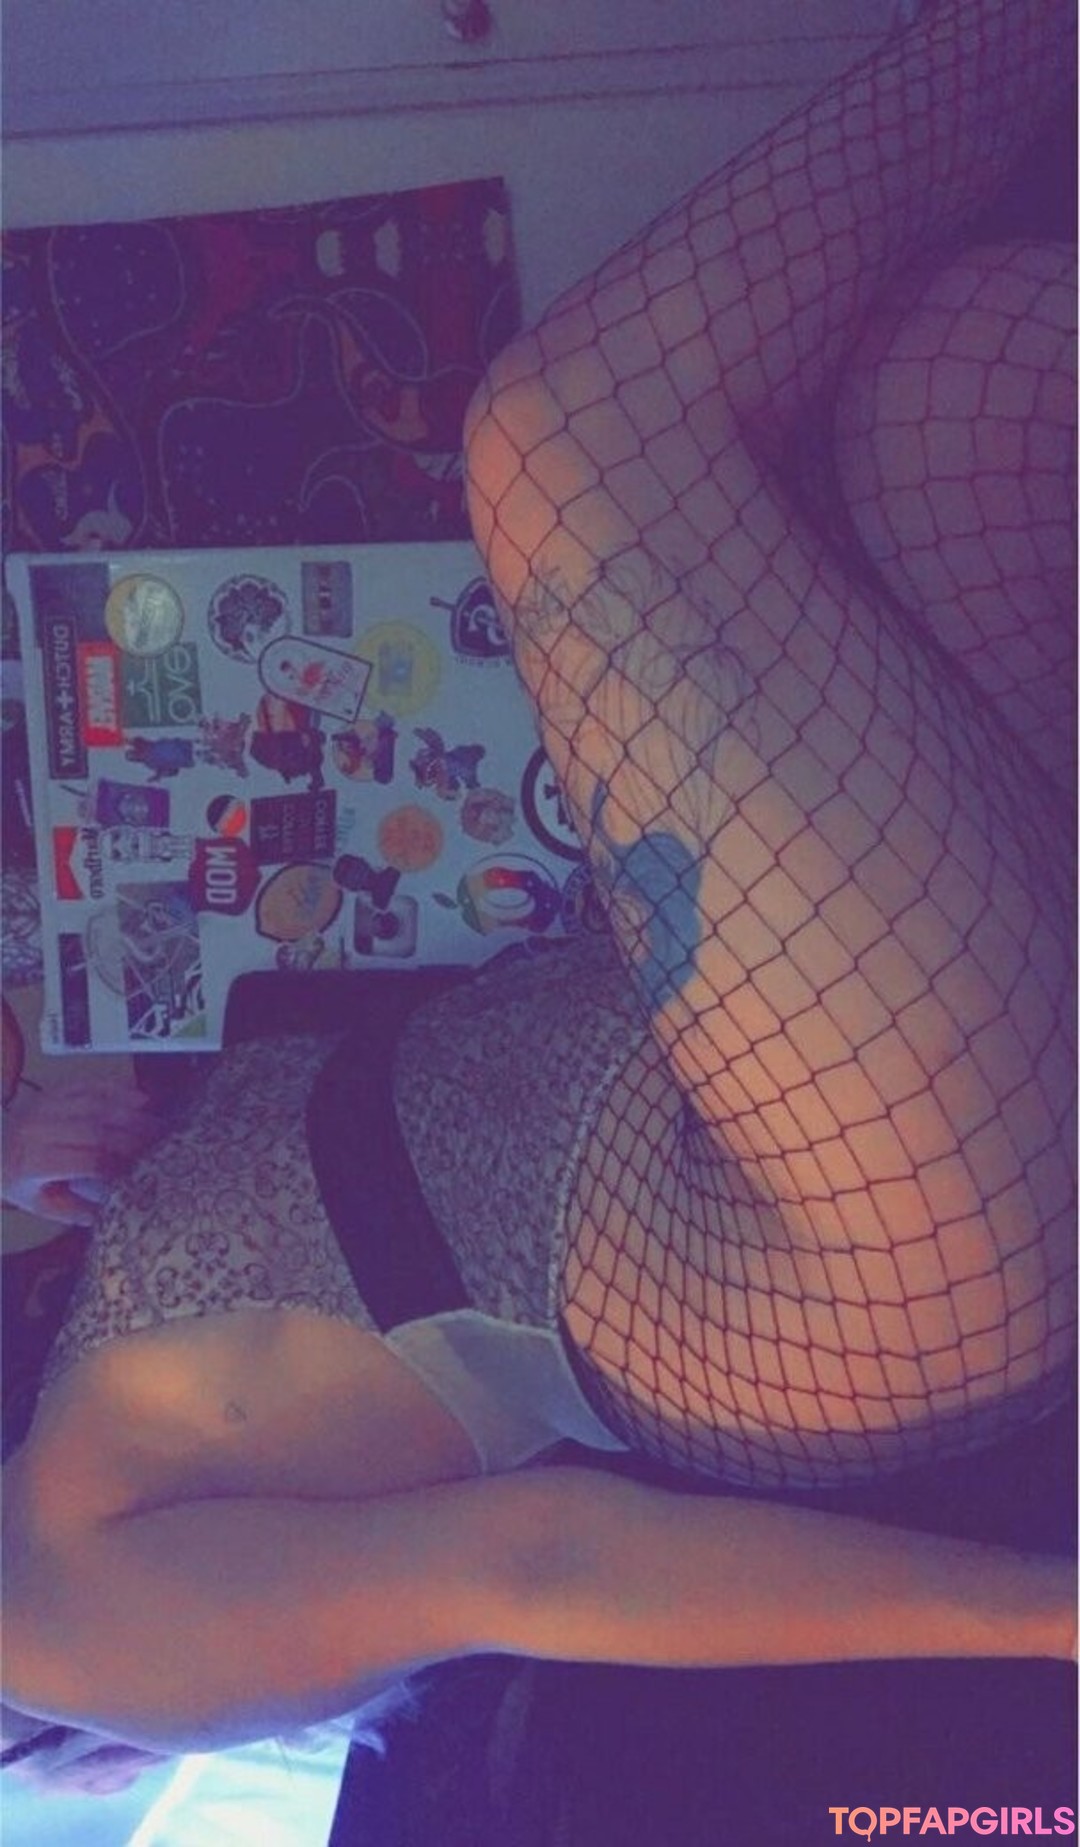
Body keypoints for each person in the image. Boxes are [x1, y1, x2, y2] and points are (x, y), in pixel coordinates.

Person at [1, 0, 1075, 1780]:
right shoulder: (58, 1630)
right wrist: (1052, 1619)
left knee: (951, 386)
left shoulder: (40, 1394)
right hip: (829, 1258)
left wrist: (61, 1136)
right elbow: (536, 1564)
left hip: (733, 1063)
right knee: (567, 443)